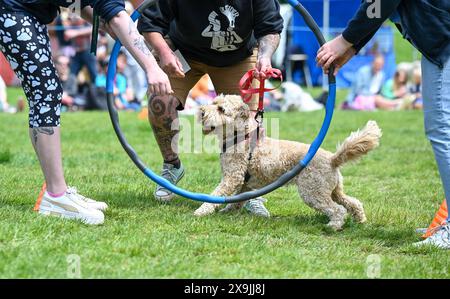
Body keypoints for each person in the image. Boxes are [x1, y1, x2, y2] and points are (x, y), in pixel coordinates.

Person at [0, 0, 172, 225]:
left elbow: (77, 4)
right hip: (11, 10)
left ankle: (58, 191)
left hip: (29, 12)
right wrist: (152, 68)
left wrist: (100, 22)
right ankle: (56, 195)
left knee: (46, 91)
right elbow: (118, 18)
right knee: (45, 90)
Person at [316, 0, 450, 248]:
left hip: (443, 41)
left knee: (443, 130)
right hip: (440, 41)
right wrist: (353, 46)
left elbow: (381, 2)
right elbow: (381, 7)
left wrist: (343, 41)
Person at [137, 0, 284, 217]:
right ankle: (172, 165)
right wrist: (163, 52)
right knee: (160, 101)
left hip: (237, 57)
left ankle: (250, 189)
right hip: (182, 52)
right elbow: (149, 23)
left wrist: (265, 56)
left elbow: (270, 27)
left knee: (250, 122)